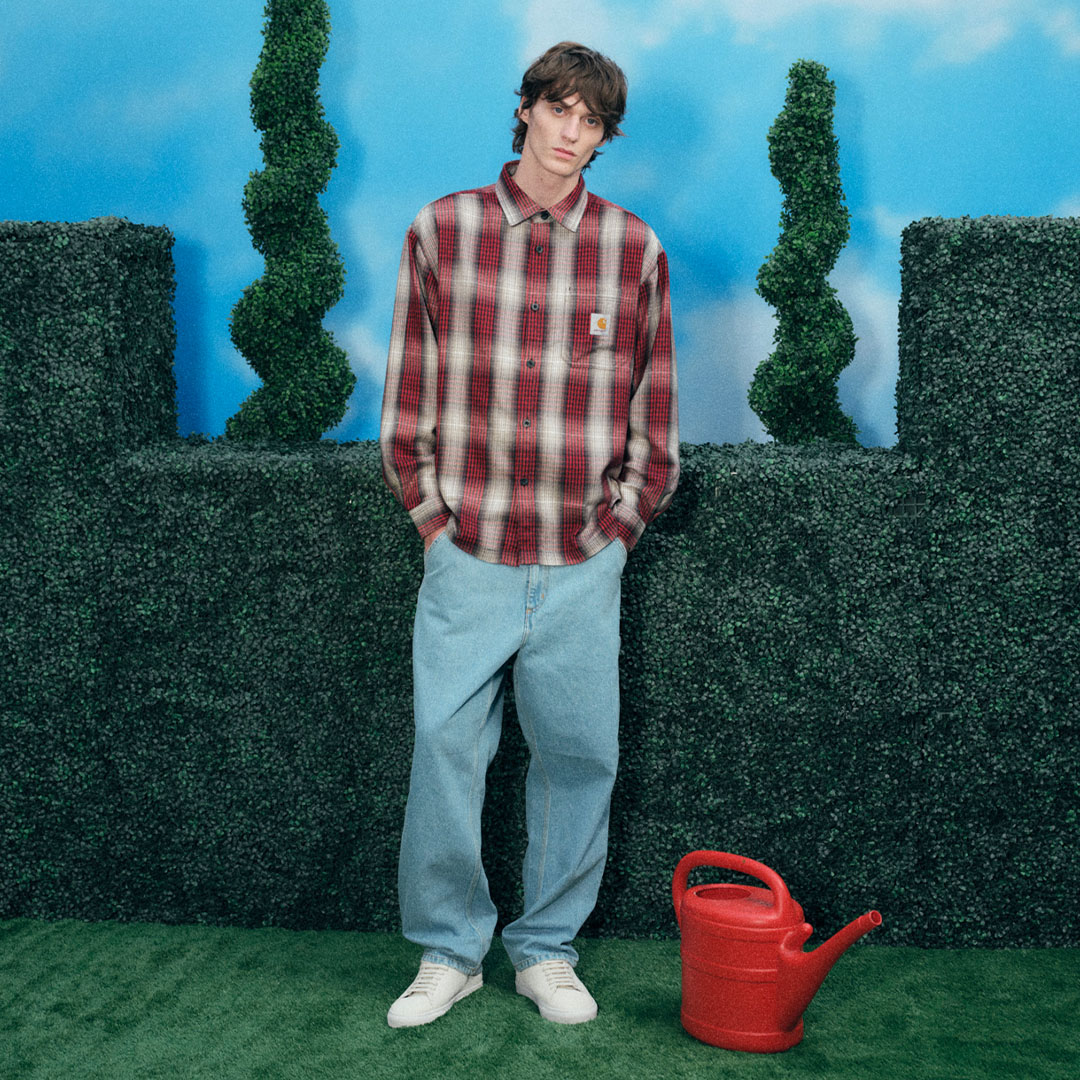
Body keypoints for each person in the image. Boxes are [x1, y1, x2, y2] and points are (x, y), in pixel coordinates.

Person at [379, 40, 679, 1028]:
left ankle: (546, 952)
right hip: (467, 554)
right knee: (444, 753)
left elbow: (654, 416)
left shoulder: (635, 250)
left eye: (591, 121)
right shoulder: (443, 230)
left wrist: (620, 530)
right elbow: (408, 392)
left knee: (579, 758)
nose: (572, 132)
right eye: (559, 109)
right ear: (525, 111)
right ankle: (449, 953)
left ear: (603, 137)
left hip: (581, 561)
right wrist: (431, 520)